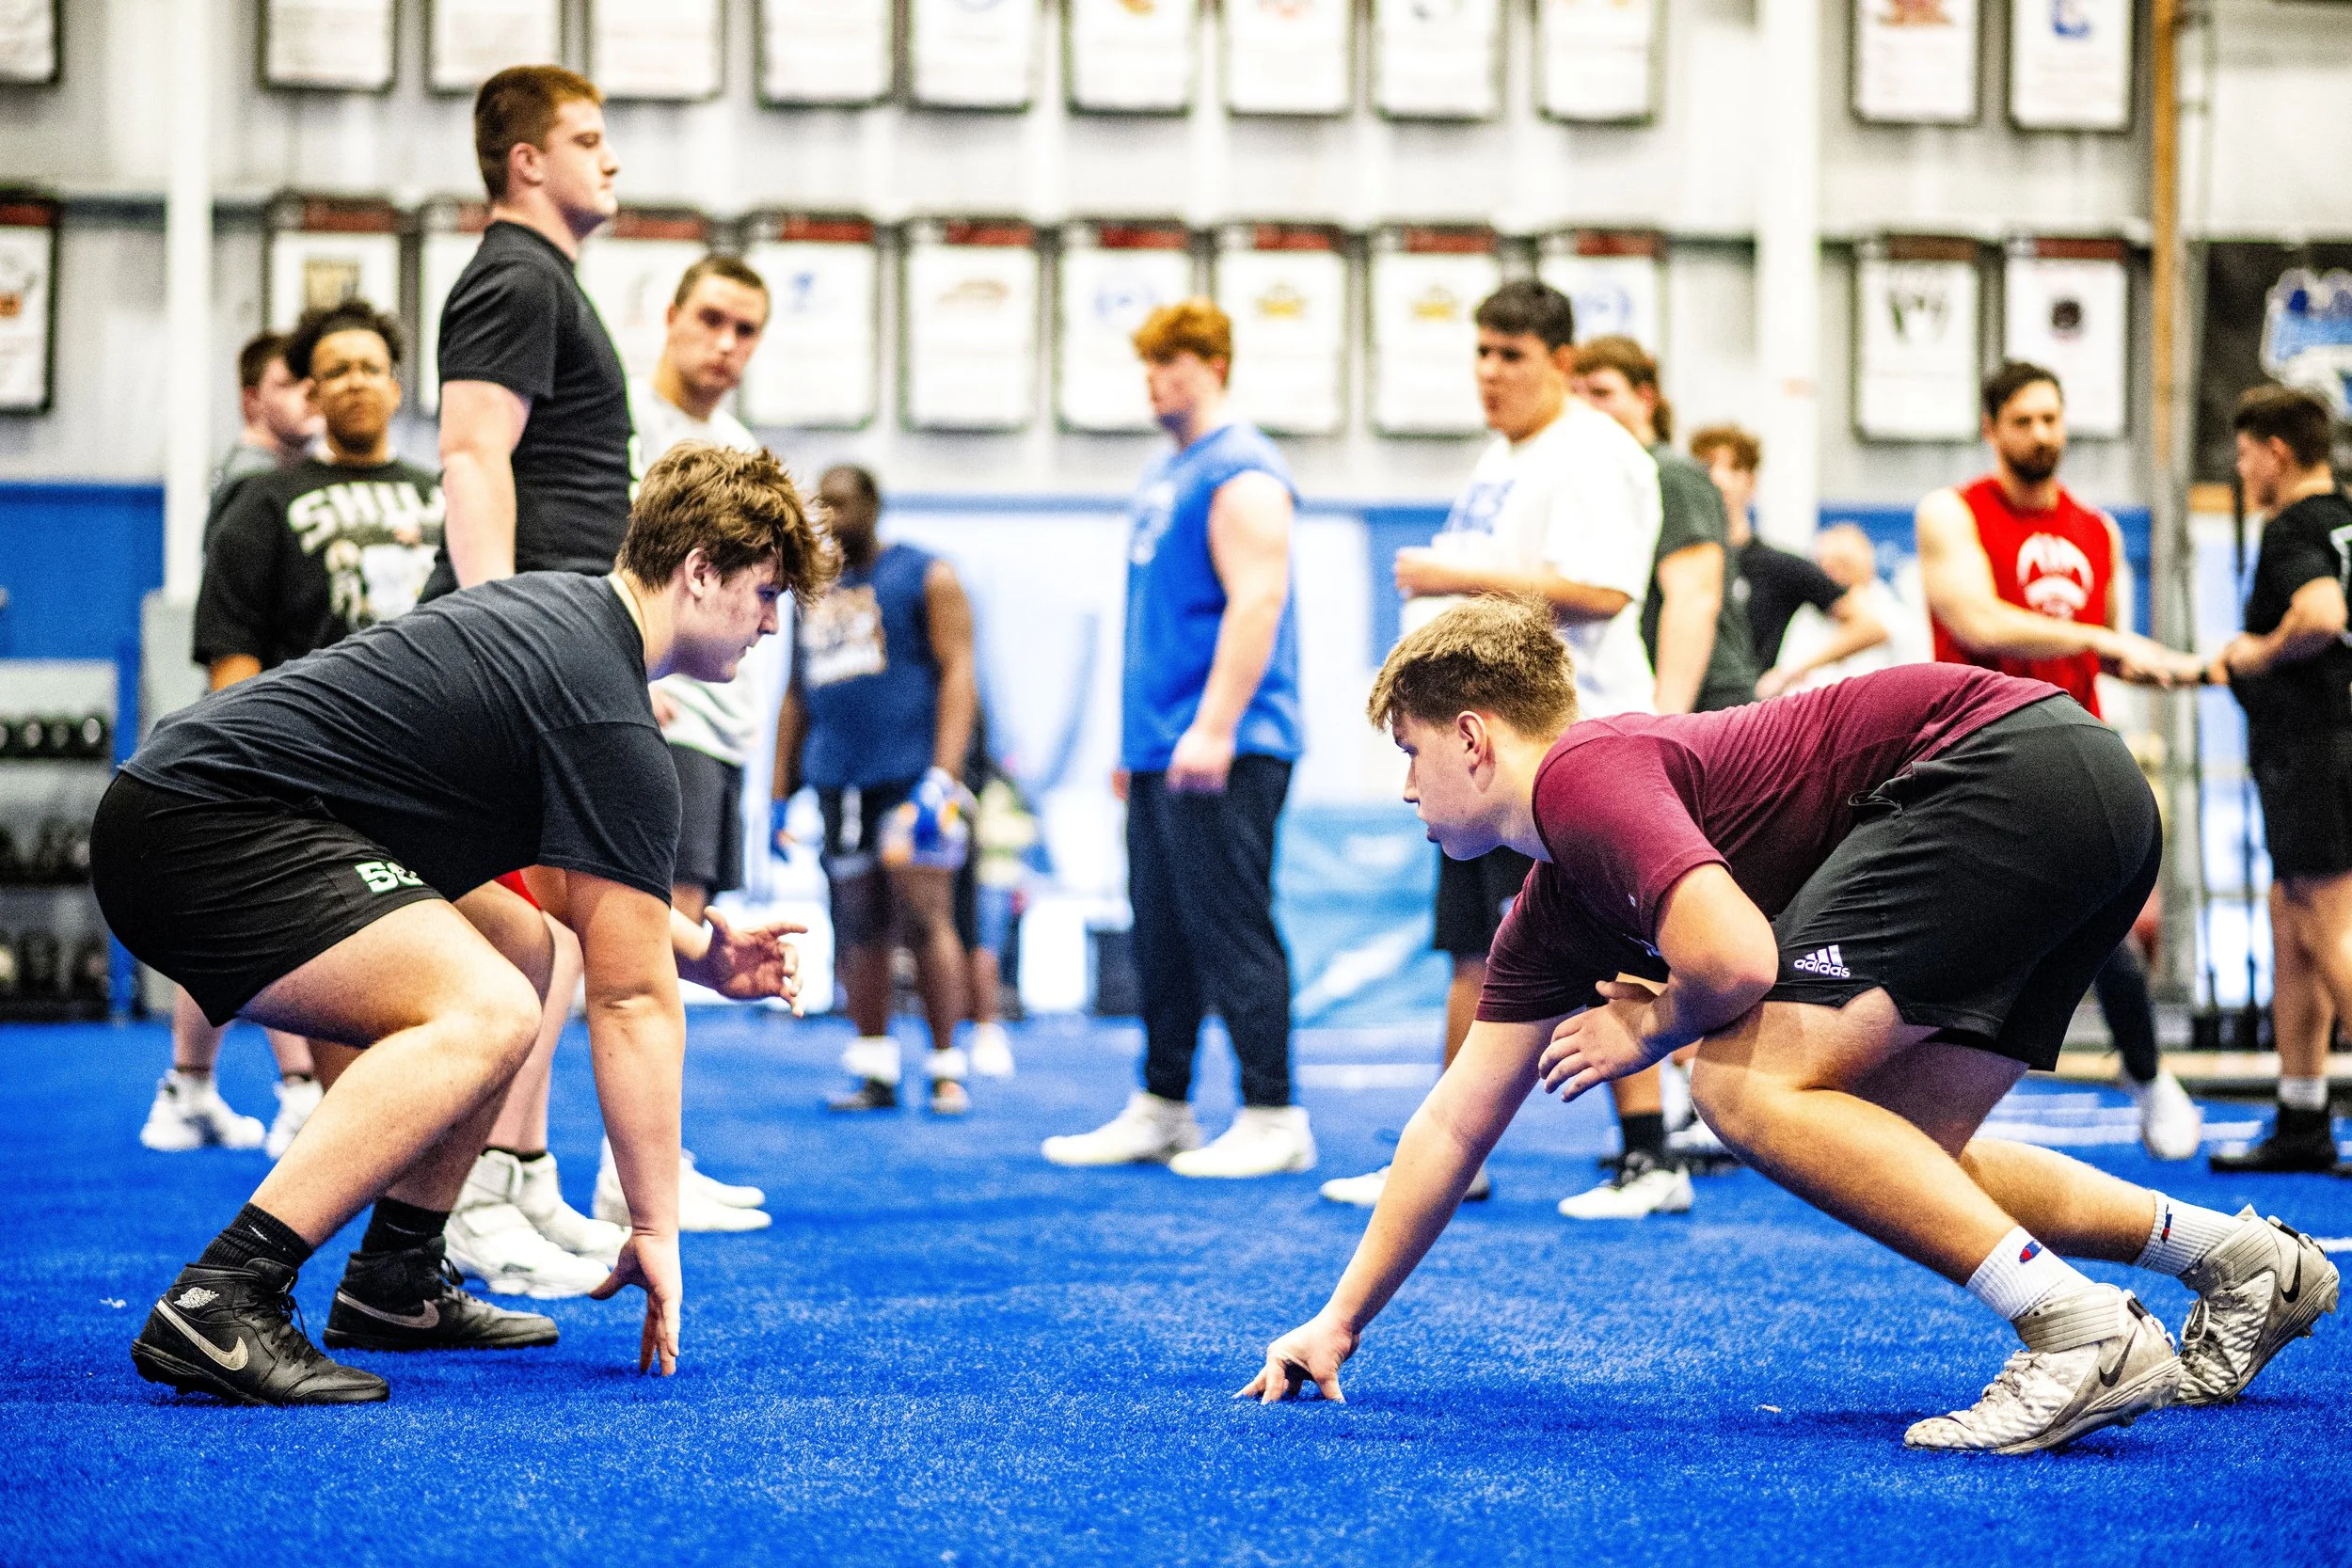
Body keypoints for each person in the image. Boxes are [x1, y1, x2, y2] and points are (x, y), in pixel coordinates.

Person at [1242, 596, 2339, 1453]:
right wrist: (1338, 1321)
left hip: (2007, 769)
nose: (1404, 787)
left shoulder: (1585, 777)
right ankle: (2238, 1259)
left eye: (1407, 749)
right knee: (1893, 1146)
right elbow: (1450, 1127)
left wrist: (1654, 1023)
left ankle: (2074, 1325)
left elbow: (1733, 959)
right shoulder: (1555, 901)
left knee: (1736, 1084)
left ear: (1473, 737)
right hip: (2078, 784)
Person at [103, 444, 830, 1407]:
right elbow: (627, 1000)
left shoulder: (568, 628)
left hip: (200, 809)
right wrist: (654, 1225)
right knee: (484, 1005)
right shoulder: (605, 706)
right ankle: (225, 1290)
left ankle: (396, 1275)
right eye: (766, 592)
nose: (773, 623)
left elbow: (582, 893)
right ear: (699, 569)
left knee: (516, 946)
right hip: (201, 825)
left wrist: (704, 949)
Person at [1323, 279, 1660, 1211]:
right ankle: (1451, 1158)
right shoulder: (1502, 456)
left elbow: (1601, 589)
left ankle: (1650, 1153)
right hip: (1483, 756)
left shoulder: (1591, 452)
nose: (1488, 372)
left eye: (1509, 354)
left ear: (1561, 361)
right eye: (1480, 352)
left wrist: (1450, 573)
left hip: (1565, 746)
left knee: (1601, 941)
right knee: (1475, 953)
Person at [1041, 298, 1314, 1178]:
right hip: (1164, 746)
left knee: (1231, 924)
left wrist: (1216, 726)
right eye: (1151, 363)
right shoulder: (1167, 474)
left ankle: (1274, 1113)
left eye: (1177, 362)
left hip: (1226, 743)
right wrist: (1139, 746)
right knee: (1160, 929)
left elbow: (1258, 598)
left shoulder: (1243, 470)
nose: (1158, 378)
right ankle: (1163, 1104)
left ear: (1216, 365)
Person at [1917, 361, 2209, 1160]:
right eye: (2023, 421)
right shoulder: (1952, 513)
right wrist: (2101, 639)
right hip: (1976, 750)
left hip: (2075, 754)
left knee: (2100, 917)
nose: (2042, 434)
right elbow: (1973, 618)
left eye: (2052, 418)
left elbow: (2104, 650)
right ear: (1992, 428)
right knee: (1976, 929)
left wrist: (2167, 664)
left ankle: (2148, 1075)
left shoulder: (2099, 531)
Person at [580, 253, 779, 1231]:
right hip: (655, 709)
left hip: (720, 726)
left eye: (747, 330)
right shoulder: (620, 425)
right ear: (667, 316)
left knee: (676, 933)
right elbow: (593, 551)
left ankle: (648, 1162)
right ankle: (631, 1181)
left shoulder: (738, 443)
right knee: (640, 940)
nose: (726, 345)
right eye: (711, 319)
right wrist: (618, 680)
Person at [1565, 335, 1760, 1217]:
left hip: (1696, 717)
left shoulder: (1669, 473)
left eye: (1603, 390)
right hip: (1654, 718)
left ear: (1648, 395)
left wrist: (1661, 725)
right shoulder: (1598, 486)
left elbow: (1694, 596)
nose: (1589, 408)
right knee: (1656, 928)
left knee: (1694, 930)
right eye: (1578, 394)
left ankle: (1697, 1121)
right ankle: (1681, 1122)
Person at [140, 331, 326, 1160]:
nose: (313, 399)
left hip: (266, 717)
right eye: (295, 384)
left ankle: (189, 1085)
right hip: (261, 722)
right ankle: (301, 1090)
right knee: (282, 909)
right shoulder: (259, 486)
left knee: (223, 912)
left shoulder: (263, 479)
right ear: (254, 397)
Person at [773, 465, 983, 1116]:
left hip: (911, 778)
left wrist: (943, 779)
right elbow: (794, 693)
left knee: (925, 914)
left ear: (873, 506)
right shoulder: (809, 589)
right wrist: (779, 792)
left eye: (841, 502)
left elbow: (959, 674)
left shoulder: (928, 575)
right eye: (820, 505)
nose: (829, 515)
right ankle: (874, 1066)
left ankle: (948, 1066)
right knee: (856, 921)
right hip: (839, 778)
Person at [2207, 385, 2352, 1176]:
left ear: (2278, 452)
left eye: (2244, 451)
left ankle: (2306, 1111)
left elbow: (2322, 614)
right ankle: (2302, 1114)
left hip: (2311, 748)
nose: (2240, 467)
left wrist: (2252, 653)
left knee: (2327, 925)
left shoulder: (2294, 523)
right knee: (2292, 917)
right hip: (2334, 740)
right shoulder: (2346, 520)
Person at [1689, 424, 1886, 695]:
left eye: (1733, 469)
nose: (1719, 479)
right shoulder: (1679, 563)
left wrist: (1789, 672)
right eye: (1707, 466)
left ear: (1751, 482)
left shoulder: (1777, 566)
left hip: (1744, 712)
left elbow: (1869, 625)